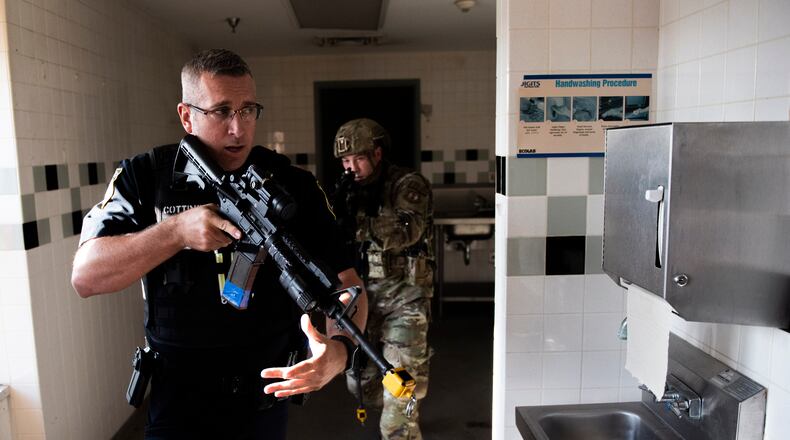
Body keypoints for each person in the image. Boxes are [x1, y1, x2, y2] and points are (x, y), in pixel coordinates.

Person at [71, 49, 367, 440]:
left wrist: (340, 352)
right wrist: (175, 232)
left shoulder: (292, 186)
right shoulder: (144, 177)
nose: (238, 128)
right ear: (186, 115)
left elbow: (348, 283)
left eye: (248, 110)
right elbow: (86, 277)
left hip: (264, 397)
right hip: (178, 403)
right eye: (221, 111)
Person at [331, 118, 433, 440]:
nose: (352, 168)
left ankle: (403, 416)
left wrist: (360, 225)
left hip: (404, 300)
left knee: (398, 394)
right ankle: (411, 387)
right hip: (362, 301)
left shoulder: (406, 185)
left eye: (358, 158)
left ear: (377, 154)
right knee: (360, 381)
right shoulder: (347, 191)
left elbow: (409, 228)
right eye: (346, 161)